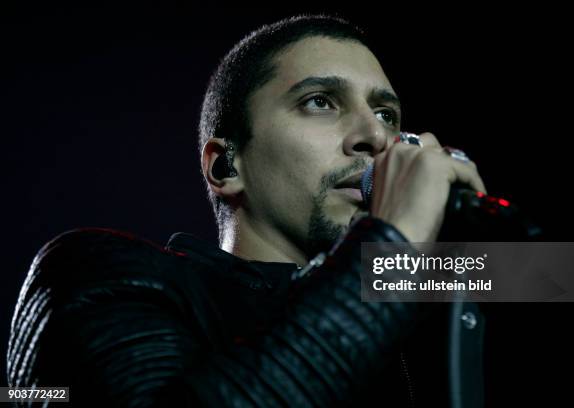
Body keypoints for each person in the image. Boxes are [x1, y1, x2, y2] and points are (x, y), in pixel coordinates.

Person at [7, 15, 487, 407]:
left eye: (386, 114)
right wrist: (393, 242)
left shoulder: (414, 282)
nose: (377, 138)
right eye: (320, 101)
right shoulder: (101, 273)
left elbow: (559, 284)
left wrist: (473, 238)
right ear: (225, 165)